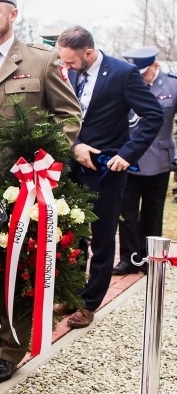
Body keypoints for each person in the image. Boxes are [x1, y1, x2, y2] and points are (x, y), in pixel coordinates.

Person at [0, 0, 83, 384]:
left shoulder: (42, 61)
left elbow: (69, 116)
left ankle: (10, 349)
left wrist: (45, 159)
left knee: (19, 267)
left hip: (25, 186)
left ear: (13, 15)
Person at [56, 25, 163, 329]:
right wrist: (75, 146)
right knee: (75, 236)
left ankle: (89, 304)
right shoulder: (71, 72)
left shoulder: (123, 73)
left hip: (107, 171)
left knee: (103, 238)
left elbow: (152, 115)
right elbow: (66, 118)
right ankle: (74, 293)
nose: (67, 67)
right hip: (76, 165)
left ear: (88, 53)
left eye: (72, 61)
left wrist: (127, 154)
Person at [112, 47, 177, 275]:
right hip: (127, 158)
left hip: (159, 159)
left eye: (143, 73)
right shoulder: (124, 82)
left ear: (155, 66)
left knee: (153, 211)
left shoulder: (172, 86)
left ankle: (151, 257)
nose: (140, 77)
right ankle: (129, 258)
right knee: (126, 212)